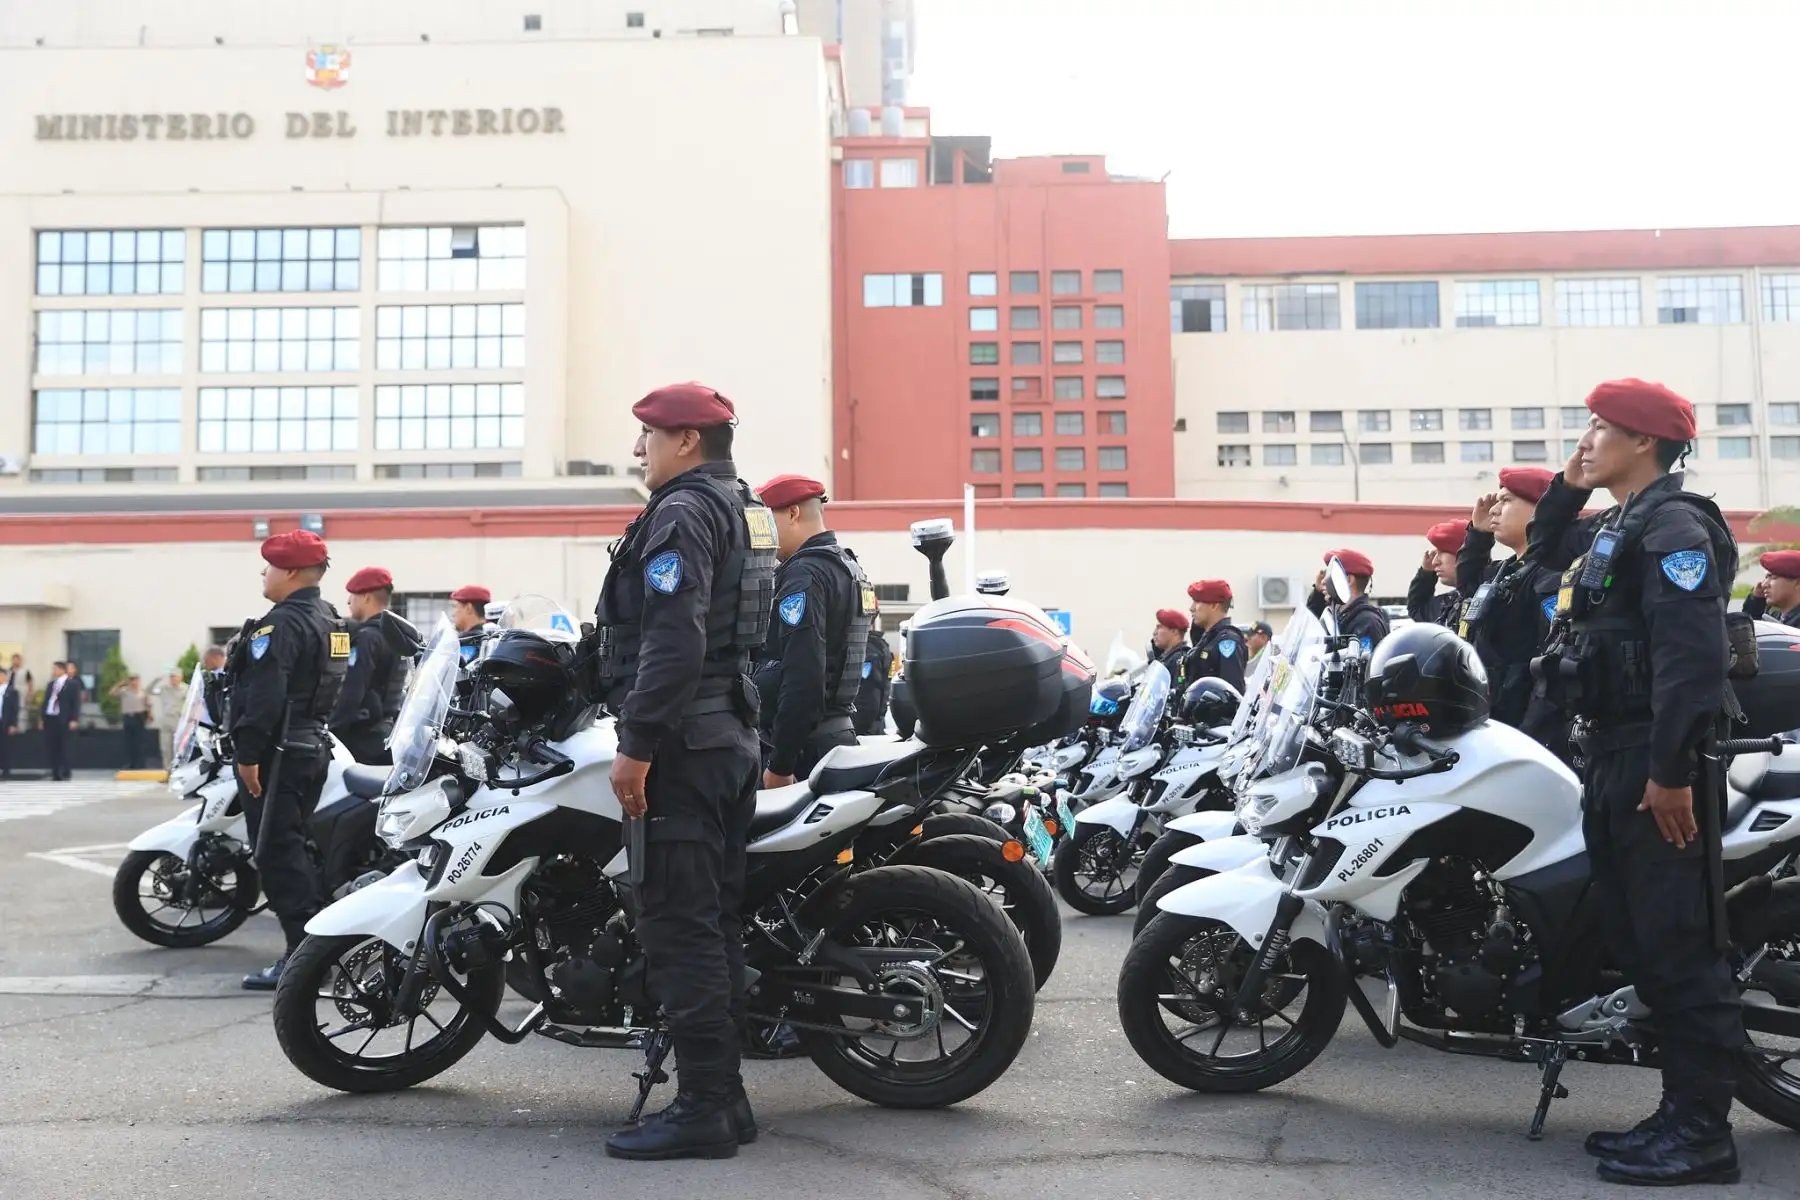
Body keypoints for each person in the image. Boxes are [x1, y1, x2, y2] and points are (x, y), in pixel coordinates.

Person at [1529, 378, 1743, 1186]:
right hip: (1616, 757)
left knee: (1680, 948)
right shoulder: (1623, 523)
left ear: (1645, 441)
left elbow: (1692, 662)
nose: (1584, 439)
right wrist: (1567, 480)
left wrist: (1670, 772)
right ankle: (1676, 1113)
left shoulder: (1676, 527)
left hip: (1658, 766)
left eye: (1599, 428)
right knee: (1642, 943)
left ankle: (1703, 1135)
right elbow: (1546, 555)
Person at [589, 382, 773, 1161]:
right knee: (714, 922)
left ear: (688, 439)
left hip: (685, 745)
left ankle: (702, 1106)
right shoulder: (746, 504)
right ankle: (724, 1101)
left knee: (677, 926)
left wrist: (636, 744)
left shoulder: (683, 510)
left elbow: (674, 639)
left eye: (650, 435)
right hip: (729, 735)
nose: (641, 449)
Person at [229, 530, 352, 991]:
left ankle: (304, 959)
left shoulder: (278, 625)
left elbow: (265, 696)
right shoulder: (332, 620)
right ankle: (323, 952)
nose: (265, 572)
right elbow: (334, 686)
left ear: (294, 572)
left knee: (276, 852)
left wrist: (248, 756)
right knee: (295, 846)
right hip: (311, 745)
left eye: (272, 565)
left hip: (278, 754)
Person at [751, 474, 873, 787]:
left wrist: (781, 763)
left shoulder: (804, 575)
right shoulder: (847, 567)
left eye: (767, 521)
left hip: (805, 749)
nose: (764, 533)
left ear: (792, 513)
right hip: (836, 734)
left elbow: (804, 675)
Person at [1457, 466, 1568, 754]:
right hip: (1495, 717)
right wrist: (1478, 536)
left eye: (1506, 502)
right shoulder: (1508, 569)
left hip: (1524, 729)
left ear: (1540, 510)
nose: (1494, 510)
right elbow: (1468, 587)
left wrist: (1528, 740)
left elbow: (1553, 662)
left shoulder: (1550, 574)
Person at [329, 567, 425, 765]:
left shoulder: (367, 638)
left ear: (366, 597)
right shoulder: (396, 635)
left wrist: (332, 733)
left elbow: (351, 692)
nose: (348, 602)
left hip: (361, 741)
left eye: (352, 596)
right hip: (388, 734)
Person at [1307, 549, 1390, 652]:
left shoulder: (1367, 623)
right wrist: (1318, 594)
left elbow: (1364, 666)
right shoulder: (1339, 615)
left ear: (1349, 580)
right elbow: (1310, 627)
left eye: (1330, 575)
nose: (1324, 581)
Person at [1183, 580, 1247, 691]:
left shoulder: (1227, 641)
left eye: (1197, 601)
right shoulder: (1207, 638)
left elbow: (1230, 693)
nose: (1191, 608)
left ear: (1214, 605)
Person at [1409, 521, 1469, 627]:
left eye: (1441, 553)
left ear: (1463, 554)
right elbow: (1418, 609)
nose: (1434, 562)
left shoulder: (1495, 597)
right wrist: (1426, 574)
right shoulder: (1451, 601)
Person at [853, 610, 893, 735]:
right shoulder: (880, 646)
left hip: (865, 728)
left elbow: (867, 694)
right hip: (877, 723)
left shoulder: (868, 650)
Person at [41, 661, 81, 781]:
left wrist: (74, 719)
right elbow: (46, 701)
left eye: (55, 668)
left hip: (64, 718)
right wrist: (42, 716)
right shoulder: (51, 684)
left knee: (64, 746)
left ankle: (66, 771)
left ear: (62, 670)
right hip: (51, 717)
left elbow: (76, 703)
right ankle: (55, 772)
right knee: (52, 746)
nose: (53, 671)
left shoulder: (72, 684)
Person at [1742, 550, 1800, 628]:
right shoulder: (1776, 617)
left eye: (1773, 577)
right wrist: (1756, 601)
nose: (1764, 584)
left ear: (1797, 583)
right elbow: (1747, 633)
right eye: (1766, 577)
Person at [149, 669, 186, 770]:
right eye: (171, 677)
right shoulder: (164, 688)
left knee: (178, 747)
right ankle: (167, 769)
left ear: (180, 677)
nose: (172, 679)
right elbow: (149, 691)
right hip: (166, 720)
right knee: (165, 747)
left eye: (175, 676)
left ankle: (178, 769)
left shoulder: (185, 688)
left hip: (178, 720)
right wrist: (156, 680)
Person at [112, 675, 148, 770]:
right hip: (128, 717)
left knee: (139, 742)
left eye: (136, 680)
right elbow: (112, 693)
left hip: (139, 717)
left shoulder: (142, 692)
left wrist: (149, 716)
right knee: (129, 742)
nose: (134, 683)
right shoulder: (124, 691)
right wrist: (119, 684)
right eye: (132, 680)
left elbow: (148, 704)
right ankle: (130, 763)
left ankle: (140, 764)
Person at [450, 585, 493, 663]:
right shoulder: (492, 637)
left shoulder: (469, 643)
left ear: (468, 608)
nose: (453, 614)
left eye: (456, 607)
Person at [1148, 609, 1190, 680]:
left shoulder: (1179, 659)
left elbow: (1179, 687)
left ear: (1174, 631)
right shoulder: (1166, 656)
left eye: (1159, 627)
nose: (1154, 633)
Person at [0, 668, 16, 778]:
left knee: (5, 746)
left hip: (5, 722)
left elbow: (14, 709)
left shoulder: (12, 691)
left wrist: (13, 724)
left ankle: (6, 769)